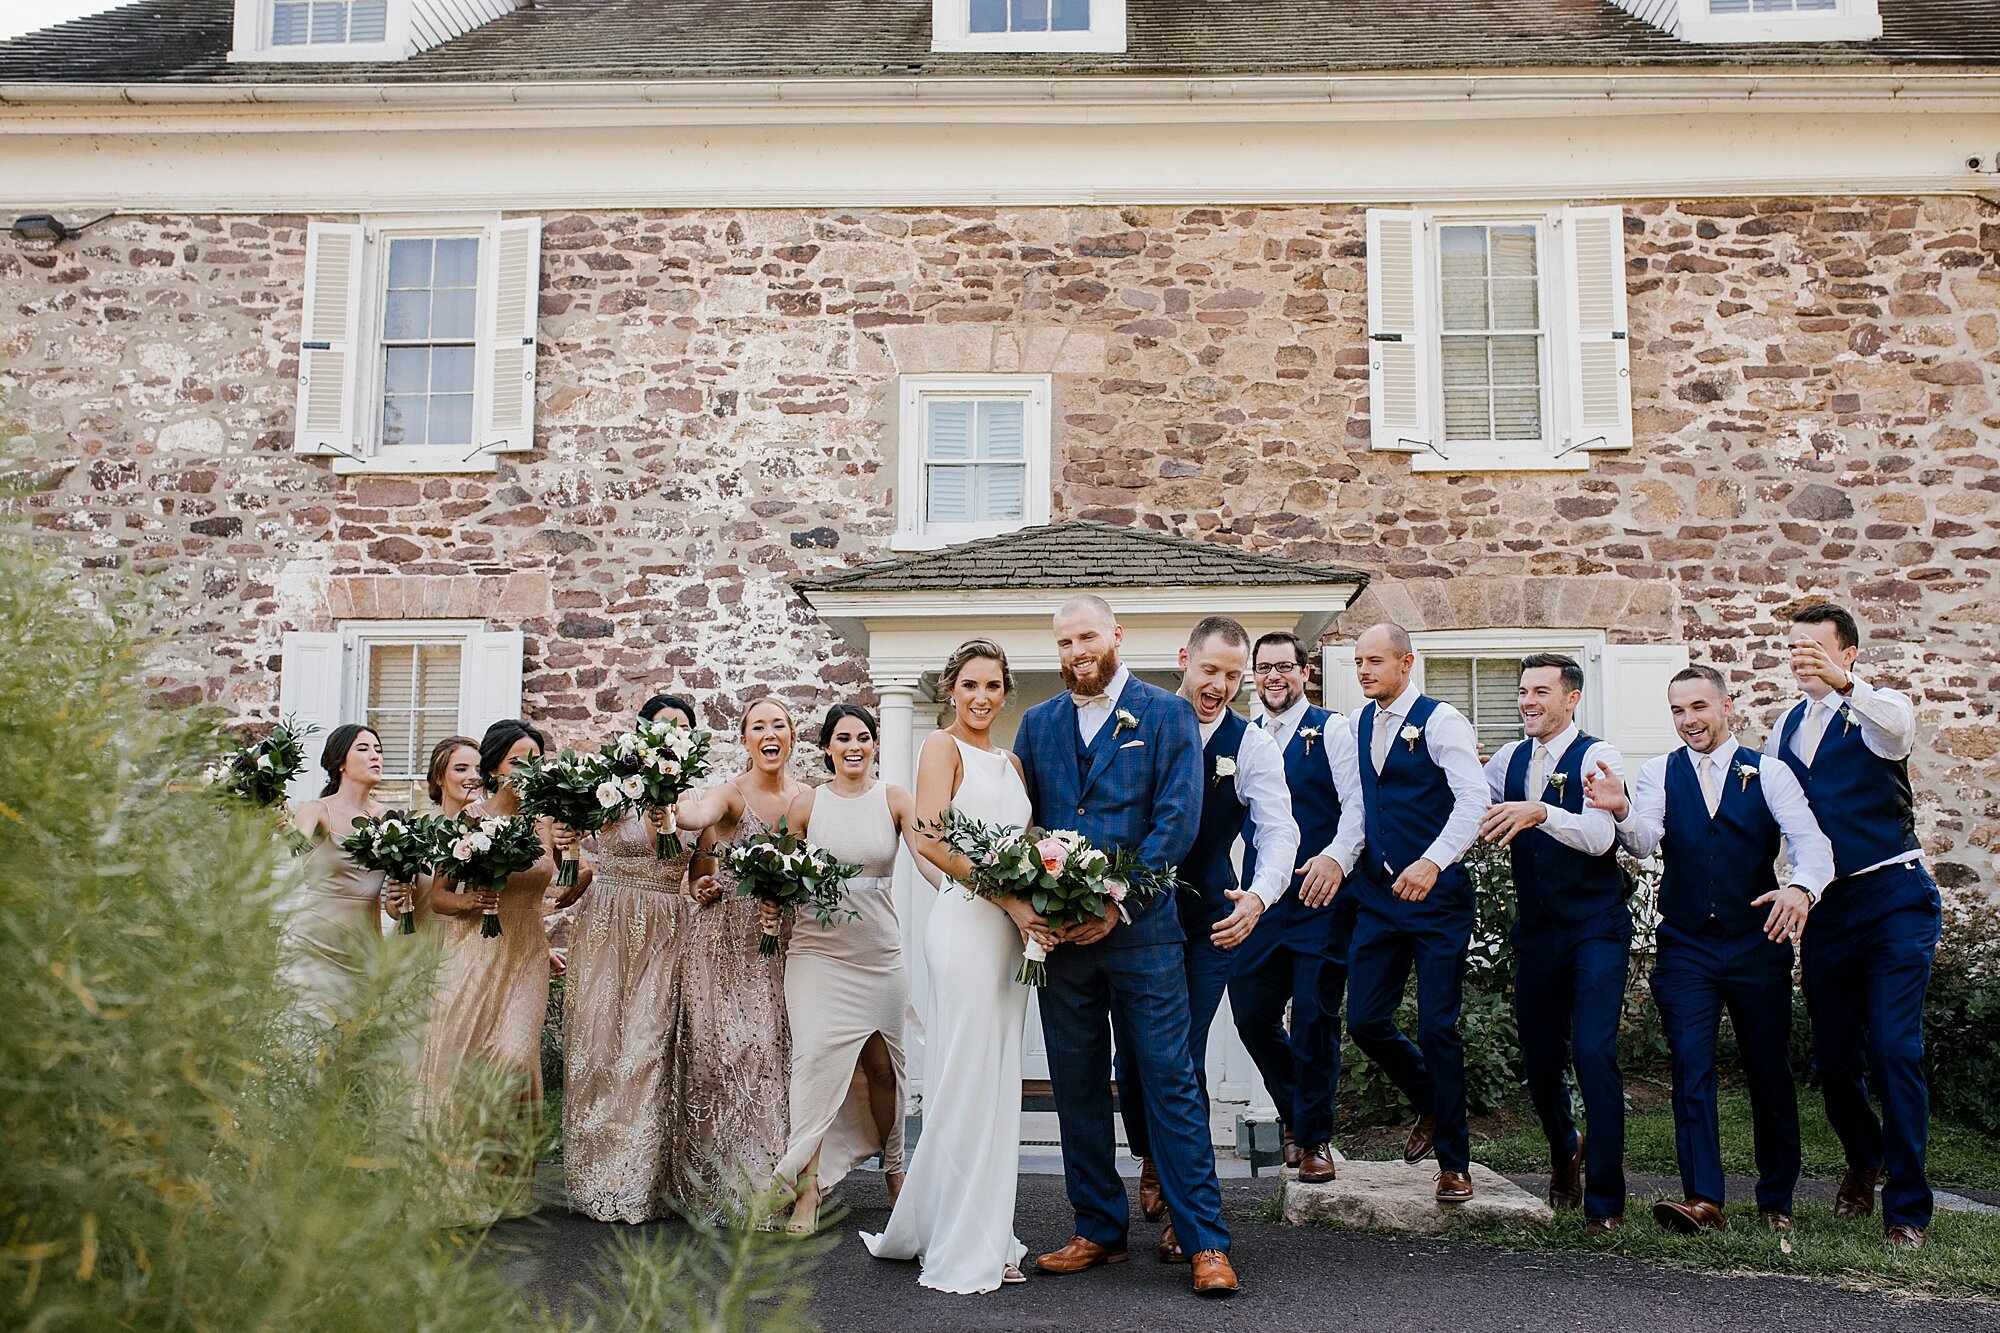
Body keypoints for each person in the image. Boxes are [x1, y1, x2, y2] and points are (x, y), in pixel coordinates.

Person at [1013, 595, 1237, 1298]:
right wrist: (1034, 899)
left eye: (1087, 636)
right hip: (1064, 944)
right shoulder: (1038, 722)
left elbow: (1178, 819)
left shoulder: (1168, 713)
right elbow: (1020, 821)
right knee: (1076, 1085)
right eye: (1064, 641)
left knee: (1169, 1081)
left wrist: (1117, 900)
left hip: (1145, 937)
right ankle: (1097, 1228)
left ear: (1115, 635)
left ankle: (1205, 1239)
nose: (1076, 651)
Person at [1586, 665, 1834, 1235]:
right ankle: (1704, 1200)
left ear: (1727, 707)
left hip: (1757, 943)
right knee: (1690, 1065)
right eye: (1677, 711)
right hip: (1686, 945)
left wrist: (1800, 888)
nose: (1688, 721)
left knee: (1768, 1069)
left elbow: (1811, 844)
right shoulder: (1657, 772)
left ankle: (1777, 1200)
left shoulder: (1769, 773)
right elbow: (1646, 840)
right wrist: (1620, 810)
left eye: (1698, 707)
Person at [863, 640, 1044, 1293]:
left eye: (993, 684)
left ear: (1006, 690)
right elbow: (933, 838)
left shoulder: (1014, 762)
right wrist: (1012, 901)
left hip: (1010, 931)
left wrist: (1043, 895)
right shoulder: (941, 747)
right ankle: (960, 1236)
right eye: (970, 683)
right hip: (969, 924)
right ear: (950, 687)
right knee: (965, 1075)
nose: (981, 696)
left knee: (998, 1079)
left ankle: (988, 1230)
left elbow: (1027, 844)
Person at [1120, 618, 1301, 1261]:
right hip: (1137, 917)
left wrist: (1260, 895)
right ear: (1184, 662)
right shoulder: (1137, 724)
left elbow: (1280, 830)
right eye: (1210, 671)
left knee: (1181, 1052)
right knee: (1133, 1060)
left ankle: (1180, 1202)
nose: (1220, 686)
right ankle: (1150, 1155)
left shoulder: (1250, 744)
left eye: (1233, 675)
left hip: (1208, 922)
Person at [1767, 604, 1941, 1250]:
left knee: (1896, 1048)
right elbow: (1772, 809)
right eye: (1794, 646)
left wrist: (1847, 689)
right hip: (1827, 909)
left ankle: (1908, 1210)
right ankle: (1864, 1155)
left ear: (1848, 654)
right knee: (1835, 1060)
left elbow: (1899, 729)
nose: (1801, 656)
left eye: (1815, 646)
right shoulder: (1783, 728)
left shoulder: (1873, 711)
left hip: (1895, 897)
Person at [1477, 654, 1630, 1233]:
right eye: (1521, 691)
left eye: (1541, 691)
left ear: (1571, 699)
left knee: (1593, 1053)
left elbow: (1598, 836)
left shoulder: (1597, 756)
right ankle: (1566, 1149)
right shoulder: (1511, 760)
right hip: (1537, 933)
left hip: (1595, 929)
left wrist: (1541, 811)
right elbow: (1470, 806)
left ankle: (1607, 1202)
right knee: (1540, 1064)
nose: (1527, 701)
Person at [770, 703, 935, 1233]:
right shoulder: (804, 806)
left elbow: (930, 857)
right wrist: (772, 904)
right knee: (815, 1064)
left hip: (879, 955)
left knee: (885, 1067)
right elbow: (777, 875)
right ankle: (806, 1192)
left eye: (863, 737)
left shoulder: (895, 799)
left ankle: (895, 1172)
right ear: (827, 747)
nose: (854, 747)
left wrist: (965, 894)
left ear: (874, 744)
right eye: (843, 738)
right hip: (816, 954)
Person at [1343, 623, 1489, 1203]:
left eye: (1374, 661)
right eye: (1357, 662)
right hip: (1378, 899)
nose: (1363, 671)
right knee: (1365, 1021)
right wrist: (1339, 856)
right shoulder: (1359, 725)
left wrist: (1432, 862)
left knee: (1437, 1025)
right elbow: (1363, 805)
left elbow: (1474, 798)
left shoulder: (1442, 720)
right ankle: (1430, 1099)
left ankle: (1455, 1162)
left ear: (1406, 663)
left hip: (1437, 900)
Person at [415, 718, 581, 1224]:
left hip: (526, 954)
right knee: (463, 1064)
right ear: (493, 767)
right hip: (475, 953)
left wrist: (576, 863)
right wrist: (472, 902)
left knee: (511, 1059)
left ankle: (507, 1178)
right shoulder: (470, 821)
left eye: (537, 758)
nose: (530, 768)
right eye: (518, 760)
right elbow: (439, 897)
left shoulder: (545, 822)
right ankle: (462, 1179)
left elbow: (562, 890)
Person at [1227, 628, 1364, 1197]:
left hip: (1320, 897)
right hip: (1262, 898)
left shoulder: (1330, 729)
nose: (1274, 677)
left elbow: (1358, 804)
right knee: (1251, 1014)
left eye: (1285, 667)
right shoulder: (1244, 736)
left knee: (1311, 1015)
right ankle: (1293, 1112)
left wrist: (1335, 857)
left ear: (1305, 673)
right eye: (1264, 668)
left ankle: (1315, 1140)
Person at [563, 694, 702, 1224]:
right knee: (597, 1047)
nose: (672, 734)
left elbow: (701, 872)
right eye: (663, 726)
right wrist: (567, 850)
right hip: (606, 926)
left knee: (647, 1047)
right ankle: (593, 1175)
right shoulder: (606, 792)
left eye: (683, 727)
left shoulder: (695, 800)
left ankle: (637, 1180)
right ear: (640, 732)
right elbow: (569, 878)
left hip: (667, 927)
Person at [672, 697, 802, 1215]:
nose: (769, 734)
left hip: (784, 939)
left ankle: (775, 1179)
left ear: (792, 736)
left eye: (779, 724)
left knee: (776, 1055)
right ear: (745, 739)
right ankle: (722, 1185)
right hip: (724, 940)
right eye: (757, 727)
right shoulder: (727, 796)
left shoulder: (807, 798)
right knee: (728, 1054)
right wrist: (702, 881)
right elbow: (697, 852)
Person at [290, 723, 390, 1016]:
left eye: (379, 750)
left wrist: (380, 955)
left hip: (360, 951)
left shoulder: (387, 819)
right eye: (363, 749)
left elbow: (372, 897)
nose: (375, 756)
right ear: (340, 763)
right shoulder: (317, 810)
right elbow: (291, 848)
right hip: (313, 947)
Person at [386, 734, 480, 937]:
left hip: (472, 946)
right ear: (439, 777)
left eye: (479, 770)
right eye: (461, 769)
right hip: (420, 942)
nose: (474, 776)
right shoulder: (416, 830)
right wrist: (395, 902)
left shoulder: (491, 828)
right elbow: (396, 910)